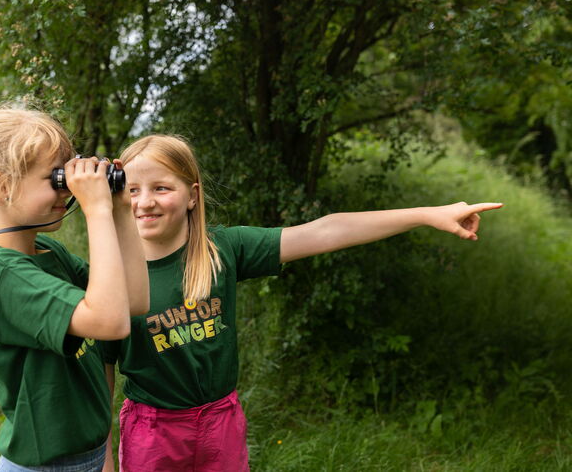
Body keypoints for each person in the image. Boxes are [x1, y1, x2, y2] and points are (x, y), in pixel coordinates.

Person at [101, 134, 502, 472]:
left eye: (161, 188)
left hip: (221, 423)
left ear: (192, 196)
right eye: (131, 190)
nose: (144, 202)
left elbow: (327, 230)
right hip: (153, 431)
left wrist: (430, 214)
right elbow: (102, 381)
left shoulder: (223, 249)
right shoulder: (111, 275)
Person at [0, 106, 149, 472]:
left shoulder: (48, 251)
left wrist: (121, 210)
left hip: (83, 457)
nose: (68, 188)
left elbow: (134, 302)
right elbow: (111, 322)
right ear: (1, 186)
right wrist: (96, 211)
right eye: (55, 178)